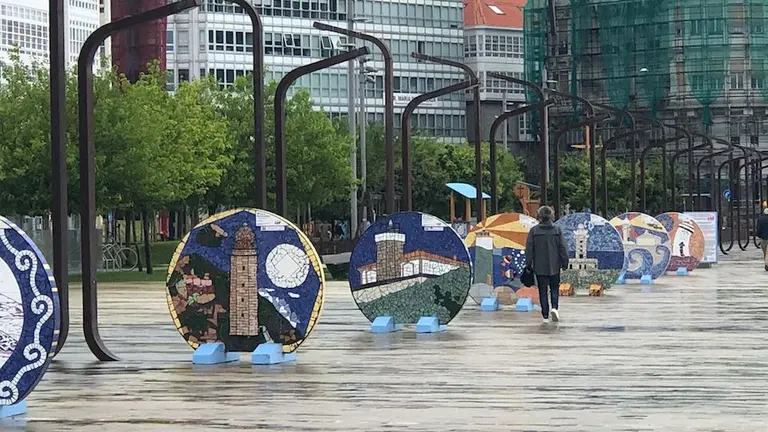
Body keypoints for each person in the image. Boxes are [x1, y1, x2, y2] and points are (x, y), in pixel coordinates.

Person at [524, 205, 570, 323]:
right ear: (551, 215)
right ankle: (554, 308)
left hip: (539, 266)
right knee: (554, 287)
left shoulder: (534, 231)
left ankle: (545, 315)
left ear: (539, 216)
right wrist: (565, 262)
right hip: (555, 265)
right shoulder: (557, 230)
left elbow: (529, 249)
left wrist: (528, 264)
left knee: (542, 290)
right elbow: (563, 248)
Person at [756, 207, 768, 271]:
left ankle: (766, 264)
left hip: (764, 238)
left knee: (765, 252)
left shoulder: (760, 219)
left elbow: (758, 229)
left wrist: (759, 236)